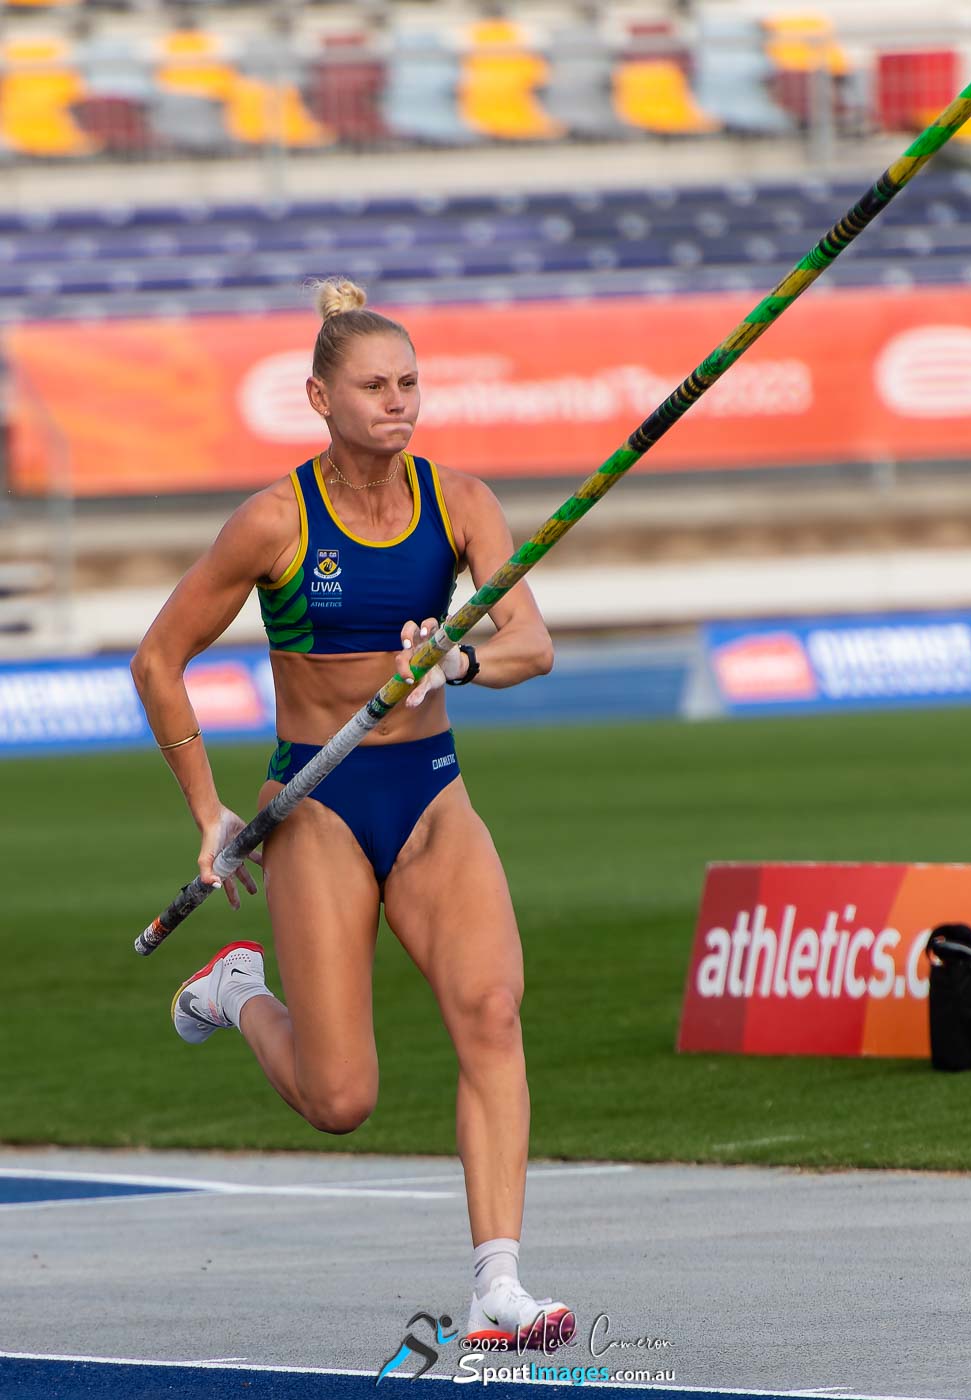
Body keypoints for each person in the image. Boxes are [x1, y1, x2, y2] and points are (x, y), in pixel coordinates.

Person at [131, 279, 574, 1351]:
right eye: (374, 385)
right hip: (318, 808)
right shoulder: (276, 520)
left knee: (492, 1008)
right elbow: (159, 659)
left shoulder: (458, 501)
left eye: (410, 382)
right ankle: (237, 989)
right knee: (341, 1099)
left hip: (430, 792)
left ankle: (498, 1285)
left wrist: (457, 658)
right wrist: (208, 808)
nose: (399, 402)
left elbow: (531, 642)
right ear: (320, 396)